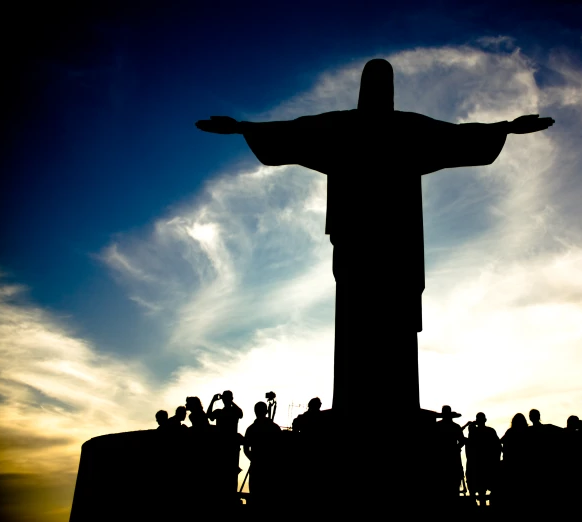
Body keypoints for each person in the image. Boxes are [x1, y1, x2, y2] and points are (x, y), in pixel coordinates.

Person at [195, 59, 555, 416]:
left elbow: (455, 136)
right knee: (356, 316)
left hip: (395, 242)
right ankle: (355, 402)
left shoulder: (404, 129)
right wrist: (242, 127)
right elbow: (295, 132)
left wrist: (506, 127)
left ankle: (397, 403)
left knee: (394, 319)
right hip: (359, 241)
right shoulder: (344, 127)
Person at [244, 401, 282, 506]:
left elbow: (246, 449)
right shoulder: (274, 428)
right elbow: (280, 448)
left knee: (256, 497)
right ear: (266, 411)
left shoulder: (251, 429)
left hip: (257, 468)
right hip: (270, 469)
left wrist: (253, 459)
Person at [464, 412, 501, 507]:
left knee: (479, 491)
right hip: (488, 465)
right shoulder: (490, 431)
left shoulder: (473, 433)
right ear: (485, 420)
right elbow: (498, 448)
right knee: (484, 491)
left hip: (477, 466)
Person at [434, 405, 466, 501]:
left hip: (443, 458)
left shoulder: (437, 426)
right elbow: (462, 441)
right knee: (452, 483)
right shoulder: (455, 427)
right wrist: (456, 448)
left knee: (444, 483)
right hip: (450, 458)